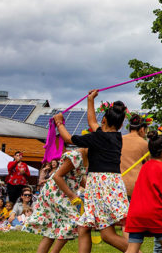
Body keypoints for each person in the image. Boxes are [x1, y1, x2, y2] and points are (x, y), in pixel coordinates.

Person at [54, 90, 130, 253]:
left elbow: (68, 139)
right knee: (89, 229)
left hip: (100, 186)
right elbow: (92, 122)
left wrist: (59, 123)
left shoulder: (98, 138)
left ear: (104, 120)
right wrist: (90, 100)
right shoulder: (116, 137)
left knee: (100, 233)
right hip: (110, 185)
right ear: (121, 125)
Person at [23, 147, 89, 253]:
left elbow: (78, 177)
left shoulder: (89, 157)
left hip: (60, 191)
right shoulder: (75, 155)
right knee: (74, 221)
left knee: (51, 230)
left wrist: (93, 190)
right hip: (55, 192)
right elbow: (57, 176)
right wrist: (71, 195)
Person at [121, 113, 149, 198]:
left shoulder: (119, 140)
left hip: (119, 185)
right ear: (142, 129)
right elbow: (149, 164)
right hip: (136, 187)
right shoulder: (144, 144)